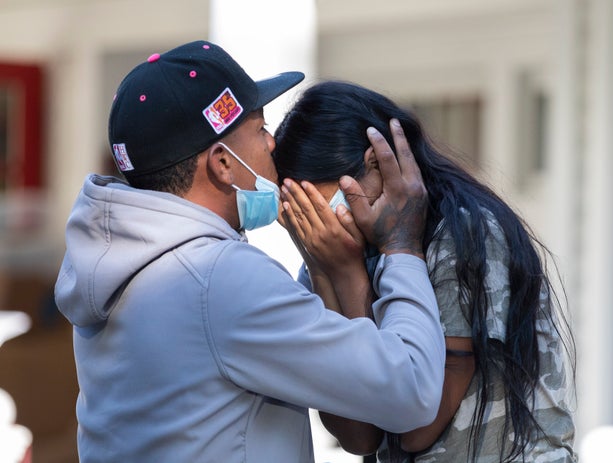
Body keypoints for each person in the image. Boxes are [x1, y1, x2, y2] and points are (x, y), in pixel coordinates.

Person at [53, 41, 447, 463]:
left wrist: (324, 270)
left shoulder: (116, 264)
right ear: (222, 163)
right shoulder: (219, 278)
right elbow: (411, 390)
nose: (274, 144)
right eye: (260, 130)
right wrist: (401, 246)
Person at [273, 80, 577, 463]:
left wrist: (353, 277)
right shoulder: (332, 252)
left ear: (377, 163)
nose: (324, 226)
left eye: (329, 204)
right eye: (305, 213)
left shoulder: (464, 233)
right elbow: (359, 437)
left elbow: (414, 429)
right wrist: (323, 273)